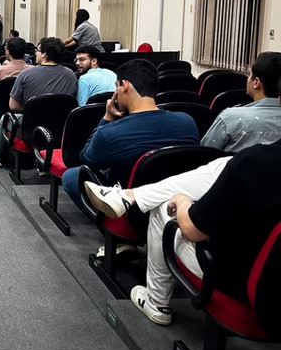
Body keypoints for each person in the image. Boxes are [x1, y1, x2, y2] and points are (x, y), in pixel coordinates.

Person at [84, 52, 281, 326]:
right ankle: (129, 196)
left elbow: (192, 229)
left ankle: (156, 302)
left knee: (165, 210)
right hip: (265, 258)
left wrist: (183, 202)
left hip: (248, 276)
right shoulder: (187, 122)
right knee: (222, 165)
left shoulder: (251, 162)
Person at [60, 59, 200, 211]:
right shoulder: (188, 122)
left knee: (71, 176)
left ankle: (105, 220)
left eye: (117, 87)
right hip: (174, 200)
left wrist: (106, 118)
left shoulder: (110, 133)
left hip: (130, 207)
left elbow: (86, 160)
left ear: (124, 86)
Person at [0, 37, 78, 168]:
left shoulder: (26, 74)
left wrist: (30, 108)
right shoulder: (71, 75)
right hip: (60, 129)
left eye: (38, 50)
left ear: (44, 54)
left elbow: (13, 106)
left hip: (31, 128)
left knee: (6, 118)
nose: (35, 53)